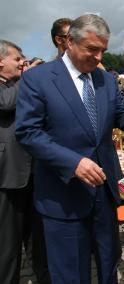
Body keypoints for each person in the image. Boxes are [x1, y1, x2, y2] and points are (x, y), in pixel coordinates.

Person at [15, 14, 124, 283]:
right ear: (69, 42)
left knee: (109, 266)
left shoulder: (105, 80)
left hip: (104, 194)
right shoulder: (37, 79)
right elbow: (28, 133)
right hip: (62, 197)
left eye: (103, 51)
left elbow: (122, 114)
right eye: (92, 49)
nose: (99, 57)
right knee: (71, 273)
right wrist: (72, 163)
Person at [0, 40, 48, 284]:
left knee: (38, 241)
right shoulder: (13, 86)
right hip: (7, 178)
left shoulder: (15, 84)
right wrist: (27, 78)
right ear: (1, 62)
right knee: (7, 249)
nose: (22, 63)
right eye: (17, 59)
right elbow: (5, 103)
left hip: (31, 173)